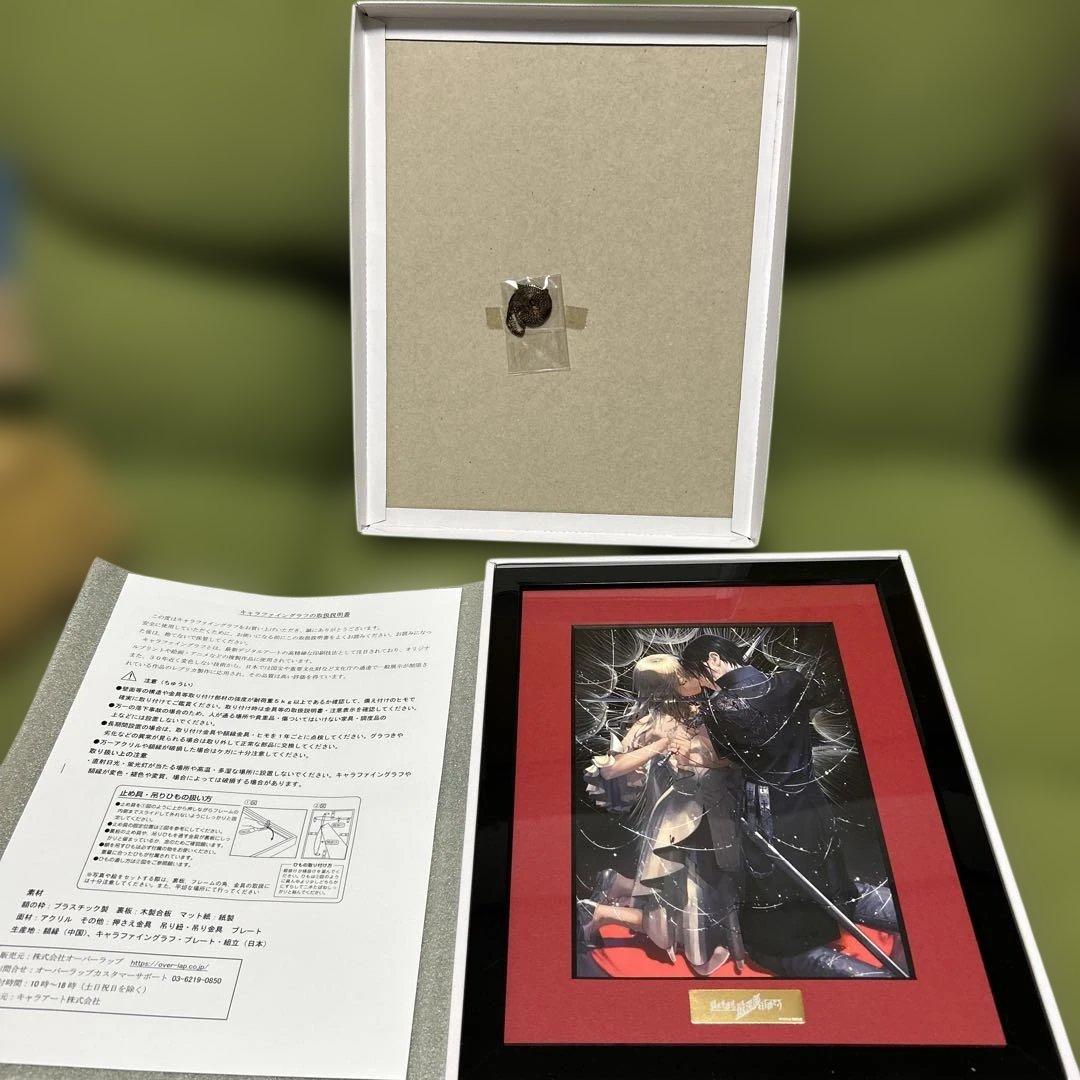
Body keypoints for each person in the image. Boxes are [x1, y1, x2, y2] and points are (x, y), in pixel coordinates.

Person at [680, 634, 902, 978]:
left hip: (764, 805)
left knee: (777, 885)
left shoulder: (719, 707)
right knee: (823, 868)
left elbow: (731, 760)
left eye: (698, 673)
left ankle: (803, 952)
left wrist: (692, 755)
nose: (702, 682)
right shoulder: (791, 681)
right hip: (808, 798)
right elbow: (820, 695)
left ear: (713, 659)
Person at [579, 654, 745, 975]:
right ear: (667, 688)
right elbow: (610, 769)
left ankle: (617, 885)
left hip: (715, 813)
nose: (692, 678)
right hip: (678, 822)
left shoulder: (702, 711)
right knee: (676, 906)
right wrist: (661, 745)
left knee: (706, 892)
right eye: (682, 677)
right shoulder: (651, 724)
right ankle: (600, 913)